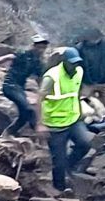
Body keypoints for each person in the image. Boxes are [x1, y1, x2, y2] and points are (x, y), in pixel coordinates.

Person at [36, 47, 93, 192]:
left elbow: (76, 92)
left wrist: (80, 111)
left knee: (86, 143)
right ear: (64, 62)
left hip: (73, 119)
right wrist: (40, 124)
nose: (75, 66)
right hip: (55, 124)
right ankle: (59, 190)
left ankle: (70, 165)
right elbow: (39, 99)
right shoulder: (52, 77)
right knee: (58, 162)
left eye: (77, 63)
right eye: (72, 63)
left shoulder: (79, 72)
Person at [0, 35, 50, 137]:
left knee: (24, 115)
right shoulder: (24, 54)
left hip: (20, 88)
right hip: (10, 85)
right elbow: (8, 57)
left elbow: (39, 79)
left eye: (43, 48)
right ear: (34, 46)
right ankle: (39, 135)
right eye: (39, 47)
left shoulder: (38, 63)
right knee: (28, 109)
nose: (41, 50)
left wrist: (43, 92)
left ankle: (7, 133)